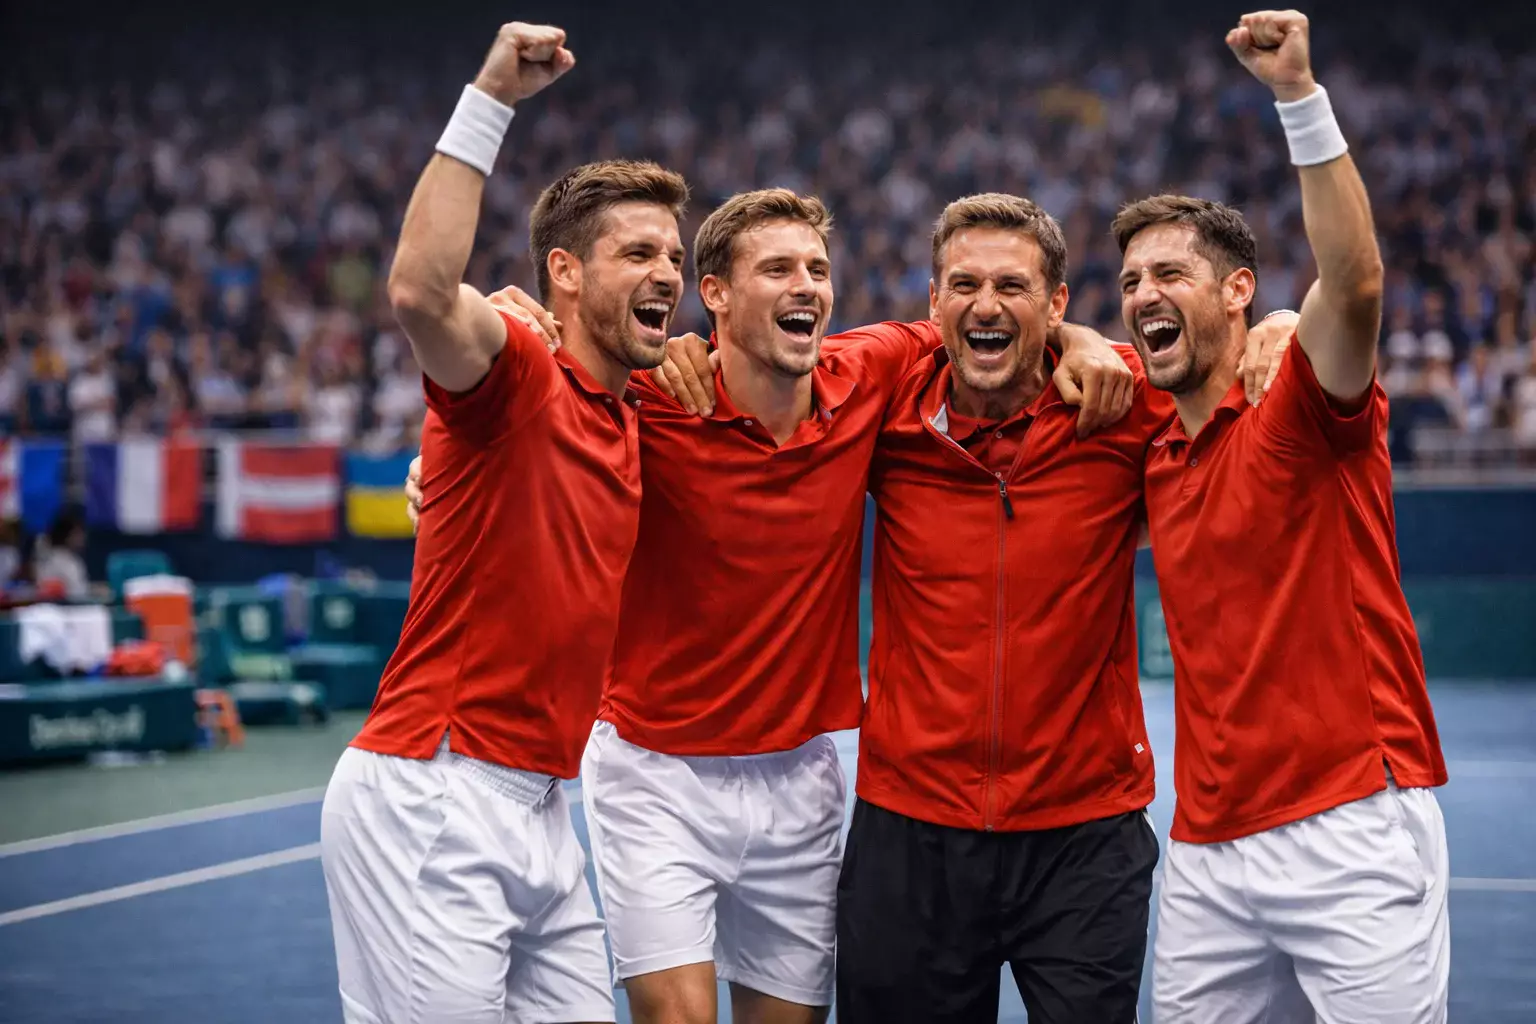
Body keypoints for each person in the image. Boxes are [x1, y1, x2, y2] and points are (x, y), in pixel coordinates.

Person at [410, 186, 1135, 1024]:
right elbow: (526, 399)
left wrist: (1087, 340)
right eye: (779, 268)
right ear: (713, 293)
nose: (806, 286)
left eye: (818, 269)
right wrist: (463, 443)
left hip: (803, 771)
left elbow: (1029, 324)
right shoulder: (651, 397)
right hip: (657, 768)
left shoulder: (870, 373)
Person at [648, 195, 1297, 1024]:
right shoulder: (879, 401)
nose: (985, 305)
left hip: (1084, 835)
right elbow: (757, 358)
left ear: (1056, 305)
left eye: (1013, 287)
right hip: (911, 835)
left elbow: (1223, 366)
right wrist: (686, 348)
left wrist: (1284, 319)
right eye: (964, 285)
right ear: (933, 301)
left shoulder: (1120, 402)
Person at [319, 21, 689, 1024]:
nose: (668, 272)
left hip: (540, 804)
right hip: (434, 788)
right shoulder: (517, 370)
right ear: (565, 274)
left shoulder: (630, 411)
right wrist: (491, 96)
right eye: (637, 252)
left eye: (674, 254)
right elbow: (419, 292)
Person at [1114, 11, 1449, 1022]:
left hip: (1353, 823)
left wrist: (1297, 98)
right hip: (1209, 850)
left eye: (1169, 274)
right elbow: (1071, 352)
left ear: (1238, 292)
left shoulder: (1301, 404)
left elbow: (1353, 284)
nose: (1143, 295)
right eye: (1130, 281)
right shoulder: (1149, 443)